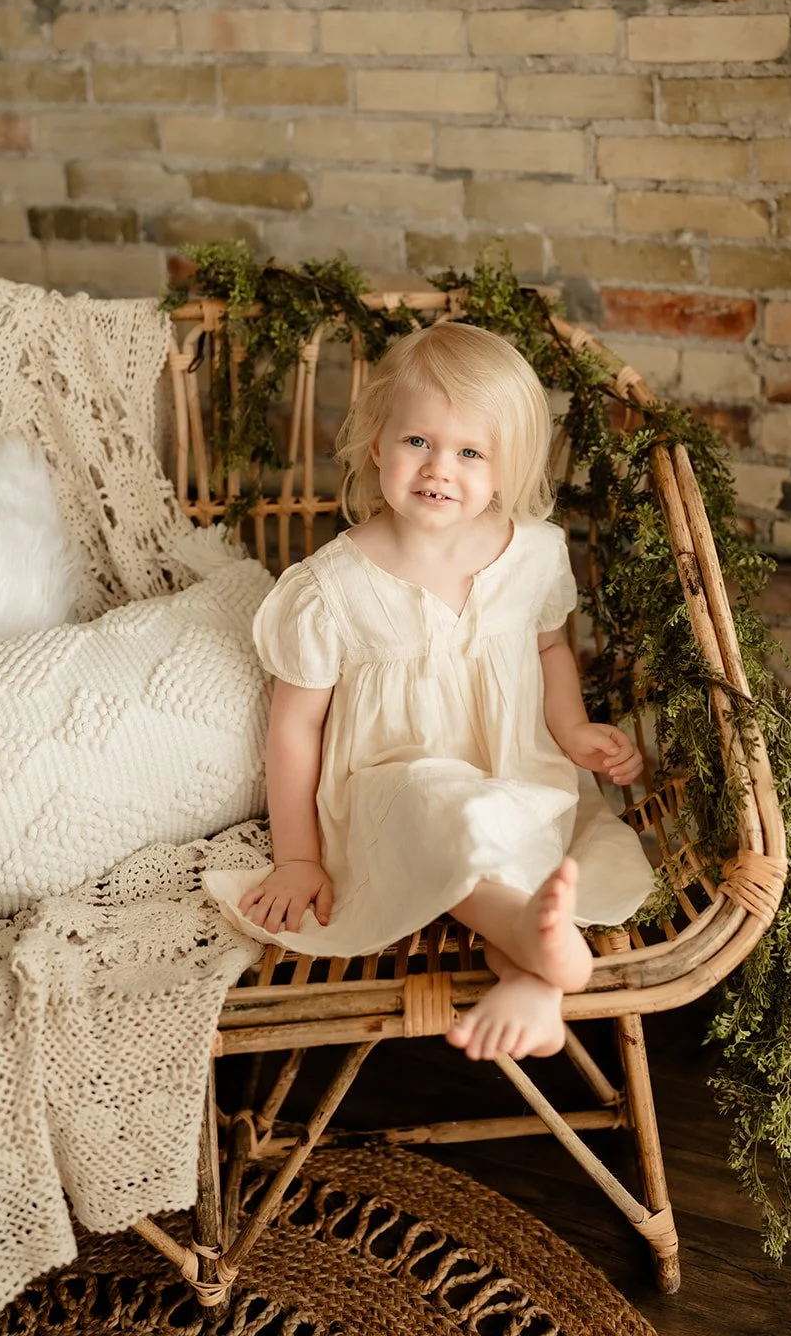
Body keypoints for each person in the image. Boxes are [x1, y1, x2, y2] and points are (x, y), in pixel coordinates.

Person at [206, 321, 655, 1061]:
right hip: (392, 793)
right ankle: (533, 946)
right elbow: (294, 729)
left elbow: (548, 648)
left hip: (516, 776)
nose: (438, 469)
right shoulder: (333, 587)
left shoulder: (534, 555)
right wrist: (297, 857)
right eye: (418, 442)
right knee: (438, 810)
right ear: (376, 442)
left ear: (506, 468)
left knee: (503, 838)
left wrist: (572, 732)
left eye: (470, 452)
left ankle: (534, 982)